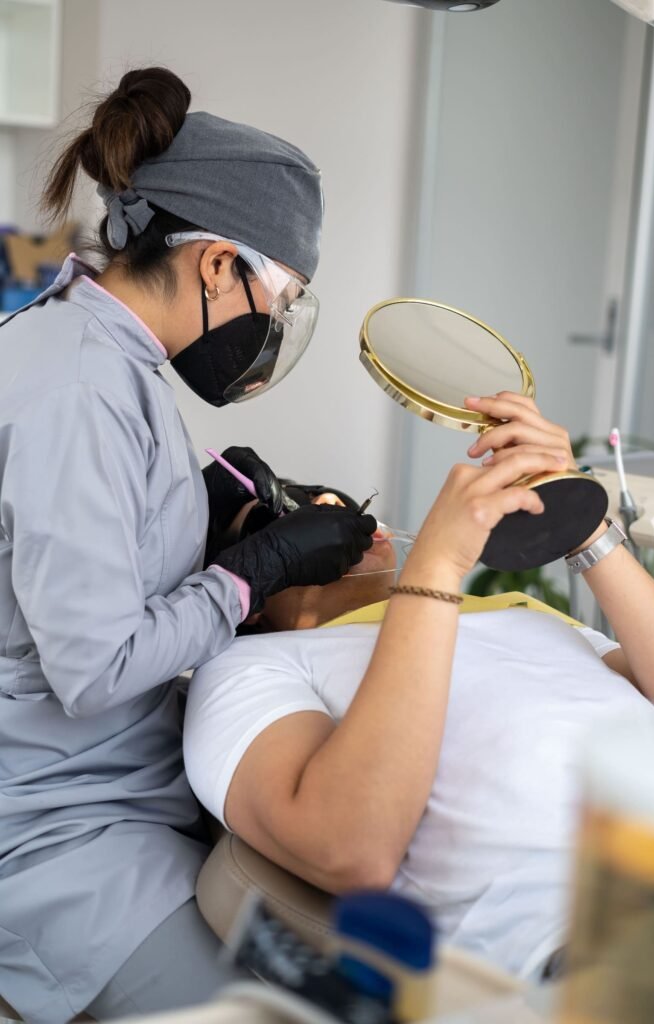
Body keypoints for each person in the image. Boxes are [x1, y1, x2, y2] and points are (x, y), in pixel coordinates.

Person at [0, 68, 376, 1023]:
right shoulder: (78, 388)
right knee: (286, 1010)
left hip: (132, 794)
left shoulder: (99, 354)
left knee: (345, 980)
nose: (273, 326)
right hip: (63, 836)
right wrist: (256, 572)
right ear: (218, 265)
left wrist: (217, 513)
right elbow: (92, 666)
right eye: (279, 298)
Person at [183, 394, 654, 983]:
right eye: (284, 519)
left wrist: (581, 522)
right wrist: (436, 568)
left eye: (333, 501)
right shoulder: (252, 665)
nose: (324, 506)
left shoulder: (520, 613)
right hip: (600, 936)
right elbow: (350, 849)